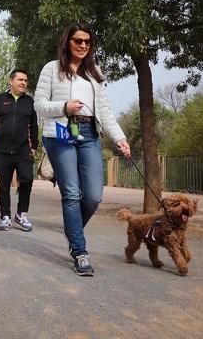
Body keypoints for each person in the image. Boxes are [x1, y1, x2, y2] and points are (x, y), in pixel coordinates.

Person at [34, 23, 131, 276]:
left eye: (87, 42)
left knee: (93, 195)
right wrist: (64, 107)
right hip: (60, 134)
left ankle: (72, 231)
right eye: (78, 41)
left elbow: (106, 111)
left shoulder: (94, 72)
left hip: (89, 133)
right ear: (68, 42)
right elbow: (39, 105)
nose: (83, 45)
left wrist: (120, 138)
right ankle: (80, 251)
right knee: (72, 194)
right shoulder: (51, 69)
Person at [0, 69, 39, 232]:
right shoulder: (0, 100)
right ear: (11, 81)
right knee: (3, 184)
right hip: (1, 150)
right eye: (20, 79)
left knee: (27, 179)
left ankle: (21, 214)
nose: (23, 83)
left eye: (25, 80)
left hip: (23, 150)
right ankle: (5, 216)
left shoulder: (29, 102)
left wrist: (34, 146)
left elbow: (34, 126)